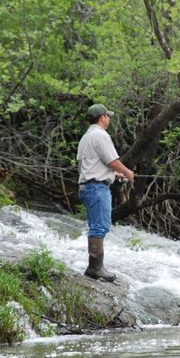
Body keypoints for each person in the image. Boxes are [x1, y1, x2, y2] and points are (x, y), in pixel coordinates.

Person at [77, 103, 135, 282]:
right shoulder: (101, 135)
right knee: (99, 227)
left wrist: (112, 175)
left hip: (87, 187)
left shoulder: (86, 137)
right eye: (107, 116)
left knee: (97, 226)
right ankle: (95, 268)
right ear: (102, 117)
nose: (109, 119)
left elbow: (92, 165)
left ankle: (95, 266)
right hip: (96, 188)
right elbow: (112, 161)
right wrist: (127, 172)